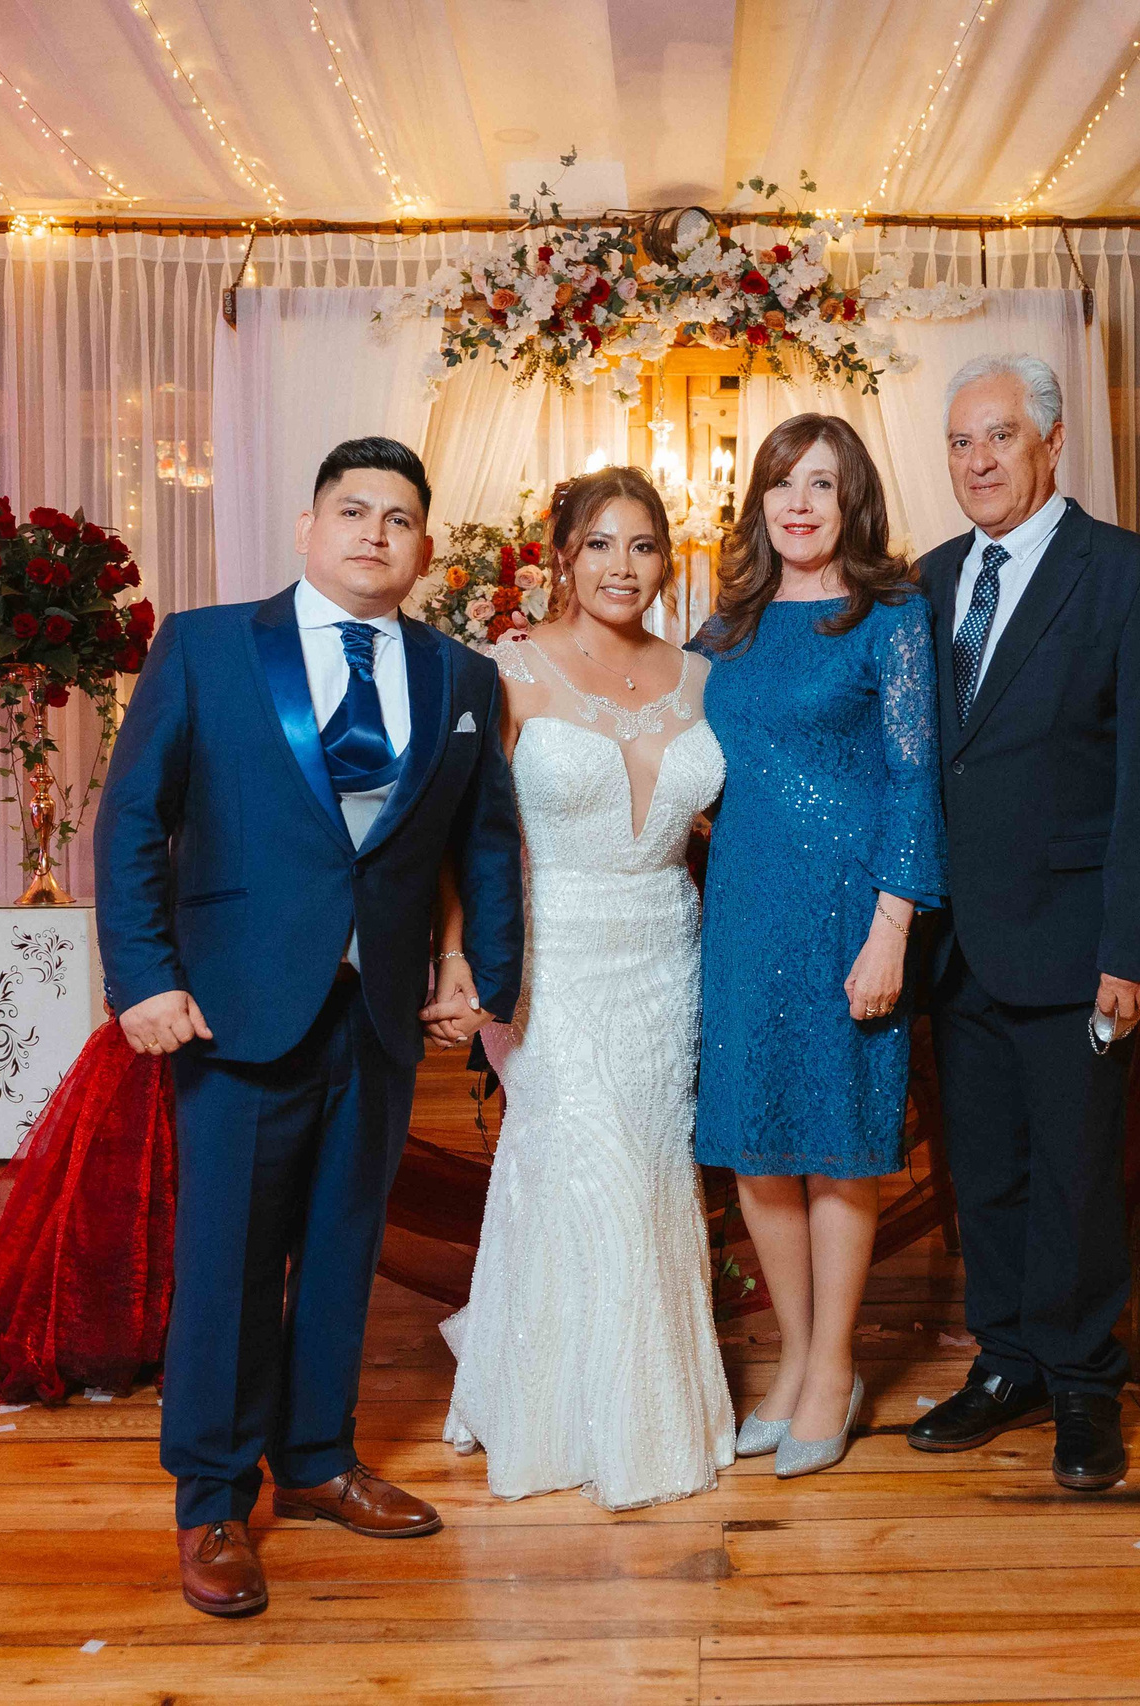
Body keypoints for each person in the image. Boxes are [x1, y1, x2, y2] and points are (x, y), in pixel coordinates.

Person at [95, 436, 525, 1618]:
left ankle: (321, 1458)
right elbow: (133, 817)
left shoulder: (460, 678)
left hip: (377, 1010)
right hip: (229, 1007)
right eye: (352, 510)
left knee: (343, 1244)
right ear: (306, 525)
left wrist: (479, 972)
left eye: (397, 517)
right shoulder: (205, 645)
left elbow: (479, 841)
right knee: (230, 1255)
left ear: (424, 546)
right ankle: (214, 1500)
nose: (374, 532)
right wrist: (141, 976)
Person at [904, 353, 1140, 1492]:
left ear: (1050, 441)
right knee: (982, 1172)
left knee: (1078, 1173)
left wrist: (1134, 946)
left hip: (1079, 944)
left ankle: (1084, 1383)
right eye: (959, 442)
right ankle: (1009, 1361)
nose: (976, 460)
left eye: (997, 437)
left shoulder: (1132, 579)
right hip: (956, 945)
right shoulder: (925, 583)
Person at [434, 466, 736, 1509]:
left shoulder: (703, 678)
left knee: (650, 1171)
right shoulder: (505, 671)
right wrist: (461, 962)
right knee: (574, 1162)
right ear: (561, 553)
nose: (623, 566)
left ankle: (653, 1403)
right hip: (552, 961)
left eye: (643, 545)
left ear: (667, 559)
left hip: (669, 955)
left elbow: (744, 823)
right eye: (600, 543)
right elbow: (463, 836)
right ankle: (554, 1409)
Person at [692, 413, 946, 1480]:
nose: (798, 502)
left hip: (848, 912)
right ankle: (798, 1360)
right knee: (756, 1146)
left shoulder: (886, 615)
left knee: (840, 1151)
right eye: (782, 482)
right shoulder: (725, 629)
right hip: (744, 909)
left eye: (822, 485)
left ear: (853, 504)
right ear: (758, 501)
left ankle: (833, 1363)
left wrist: (893, 925)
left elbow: (912, 778)